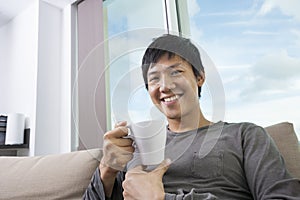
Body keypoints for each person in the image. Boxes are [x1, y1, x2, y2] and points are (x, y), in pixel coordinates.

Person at [83, 34, 300, 200]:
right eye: (154, 78)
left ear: (200, 77)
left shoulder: (244, 135)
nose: (165, 86)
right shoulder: (136, 147)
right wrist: (107, 169)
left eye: (176, 72)